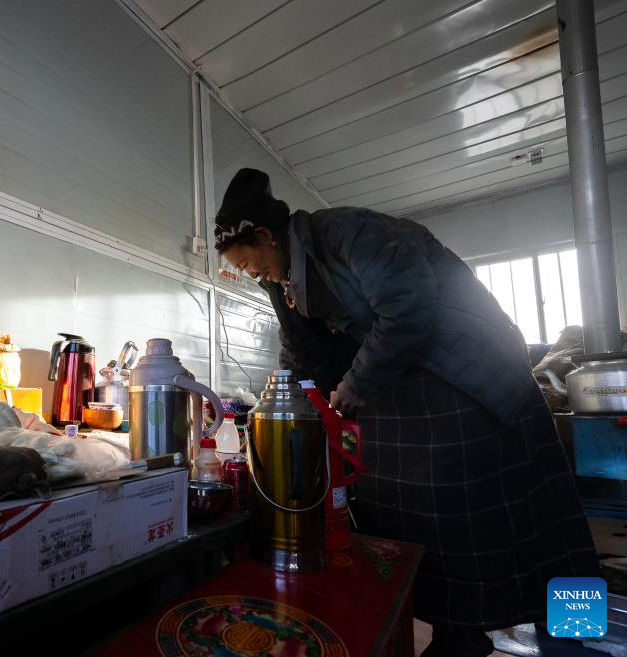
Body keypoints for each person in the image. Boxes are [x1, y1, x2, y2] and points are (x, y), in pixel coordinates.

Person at [214, 168, 599, 657]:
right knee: (414, 523)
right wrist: (285, 406)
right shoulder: (284, 283)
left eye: (248, 264)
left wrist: (356, 383)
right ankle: (460, 633)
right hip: (404, 386)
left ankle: (573, 631)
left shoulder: (349, 231)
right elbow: (301, 356)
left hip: (476, 378)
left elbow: (407, 309)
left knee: (538, 520)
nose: (251, 275)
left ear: (267, 236)